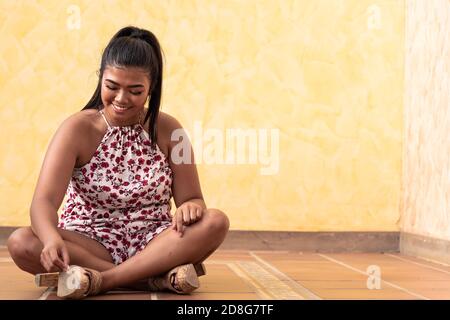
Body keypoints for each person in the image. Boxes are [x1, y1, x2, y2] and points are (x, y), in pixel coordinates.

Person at [6, 26, 229, 299]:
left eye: (135, 91)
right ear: (101, 78)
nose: (121, 99)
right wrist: (52, 239)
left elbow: (193, 199)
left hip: (154, 240)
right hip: (90, 241)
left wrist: (191, 207)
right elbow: (44, 201)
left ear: (152, 87)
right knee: (22, 242)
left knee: (216, 222)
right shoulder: (77, 128)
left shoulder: (172, 131)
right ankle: (152, 279)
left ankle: (103, 280)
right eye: (112, 87)